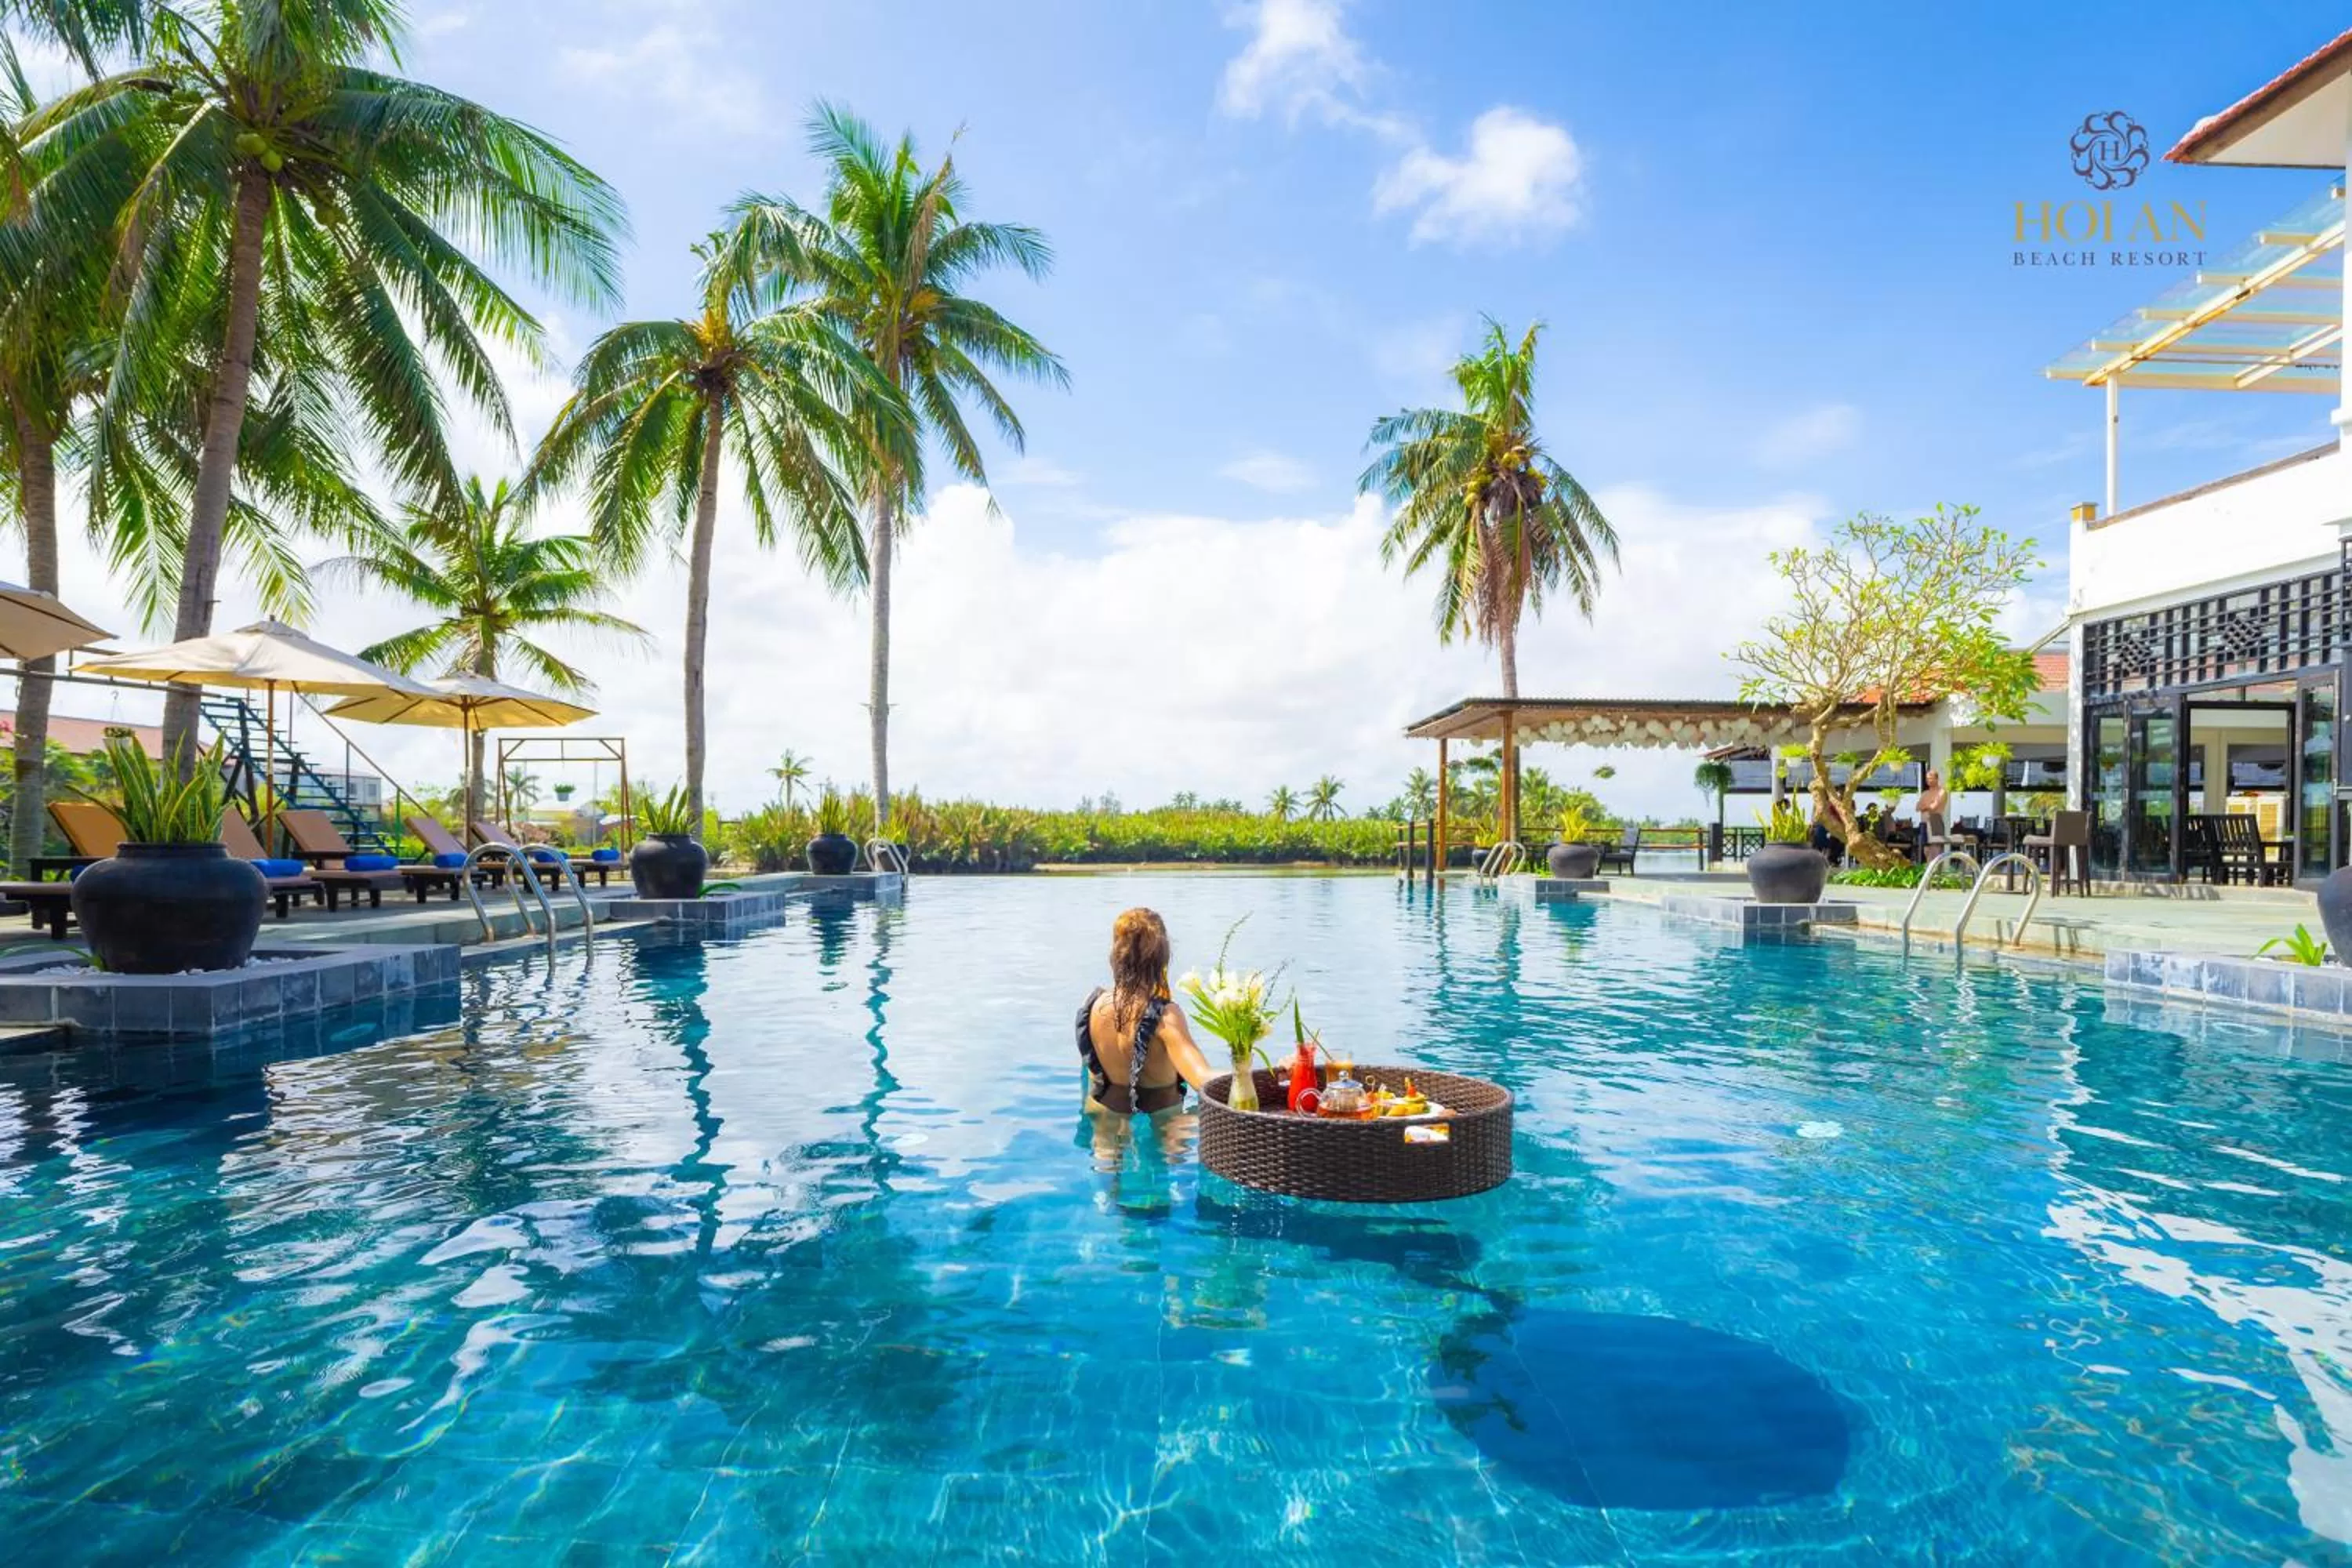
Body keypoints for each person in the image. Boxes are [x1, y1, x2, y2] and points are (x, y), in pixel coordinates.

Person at [1076, 907, 1217, 1118]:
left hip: (1102, 1117)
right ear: (1162, 957)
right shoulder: (1166, 1017)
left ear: (1116, 953)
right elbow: (1205, 1081)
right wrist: (1260, 1073)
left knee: (1104, 1149)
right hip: (1161, 1128)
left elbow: (1088, 1078)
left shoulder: (1092, 1005)